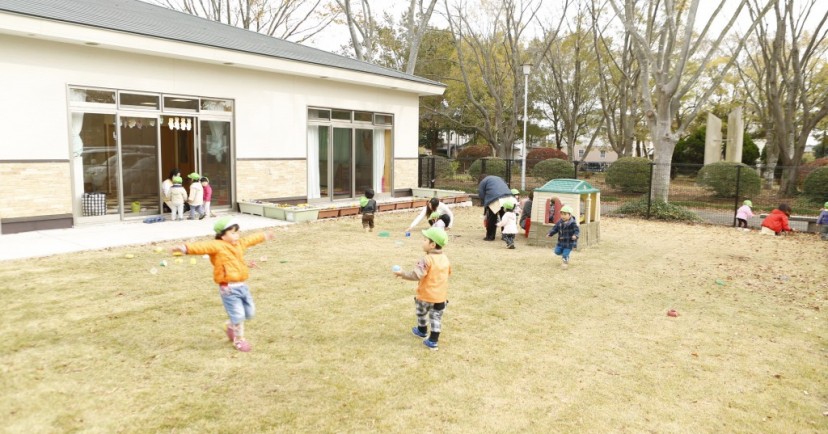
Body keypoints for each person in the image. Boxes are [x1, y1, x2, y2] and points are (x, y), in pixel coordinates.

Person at [171, 216, 274, 352]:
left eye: (237, 232)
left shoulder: (239, 244)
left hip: (242, 285)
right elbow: (201, 246)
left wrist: (264, 235)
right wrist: (184, 248)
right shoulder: (217, 245)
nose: (236, 235)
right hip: (228, 288)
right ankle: (239, 339)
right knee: (238, 315)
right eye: (232, 232)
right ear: (222, 235)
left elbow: (250, 239)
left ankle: (231, 325)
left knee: (249, 313)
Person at [393, 227, 451, 350]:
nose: (422, 242)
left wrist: (402, 274)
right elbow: (448, 273)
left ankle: (422, 330)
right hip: (441, 297)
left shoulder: (426, 259)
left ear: (432, 244)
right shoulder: (445, 258)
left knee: (421, 313)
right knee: (436, 318)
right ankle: (433, 340)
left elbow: (416, 275)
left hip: (425, 296)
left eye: (425, 239)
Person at [477, 175, 516, 241]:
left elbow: (481, 193)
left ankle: (490, 237)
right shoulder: (499, 178)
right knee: (505, 216)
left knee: (492, 218)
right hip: (508, 197)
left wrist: (485, 202)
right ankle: (506, 236)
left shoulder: (483, 181)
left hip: (495, 199)